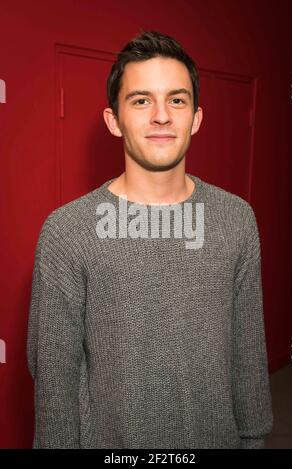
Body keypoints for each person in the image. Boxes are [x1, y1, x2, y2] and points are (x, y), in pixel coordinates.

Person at [27, 30, 273, 449]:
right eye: (141, 100)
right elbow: (55, 384)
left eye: (176, 100)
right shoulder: (67, 232)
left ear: (196, 117)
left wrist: (254, 440)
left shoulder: (236, 219)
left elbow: (247, 352)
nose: (161, 116)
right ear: (114, 120)